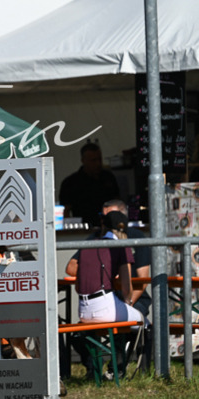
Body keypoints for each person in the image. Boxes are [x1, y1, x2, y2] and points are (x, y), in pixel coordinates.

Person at [66, 210, 145, 378]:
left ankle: (97, 369)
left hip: (83, 310)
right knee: (142, 323)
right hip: (106, 306)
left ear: (104, 225)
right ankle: (123, 369)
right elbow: (126, 285)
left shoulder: (88, 245)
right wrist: (128, 301)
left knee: (115, 323)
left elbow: (78, 285)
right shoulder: (122, 247)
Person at [58, 142, 121, 228]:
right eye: (93, 160)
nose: (98, 164)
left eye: (100, 159)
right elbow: (66, 211)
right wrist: (72, 230)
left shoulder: (108, 178)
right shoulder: (71, 182)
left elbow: (118, 203)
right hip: (83, 229)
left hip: (108, 227)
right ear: (83, 160)